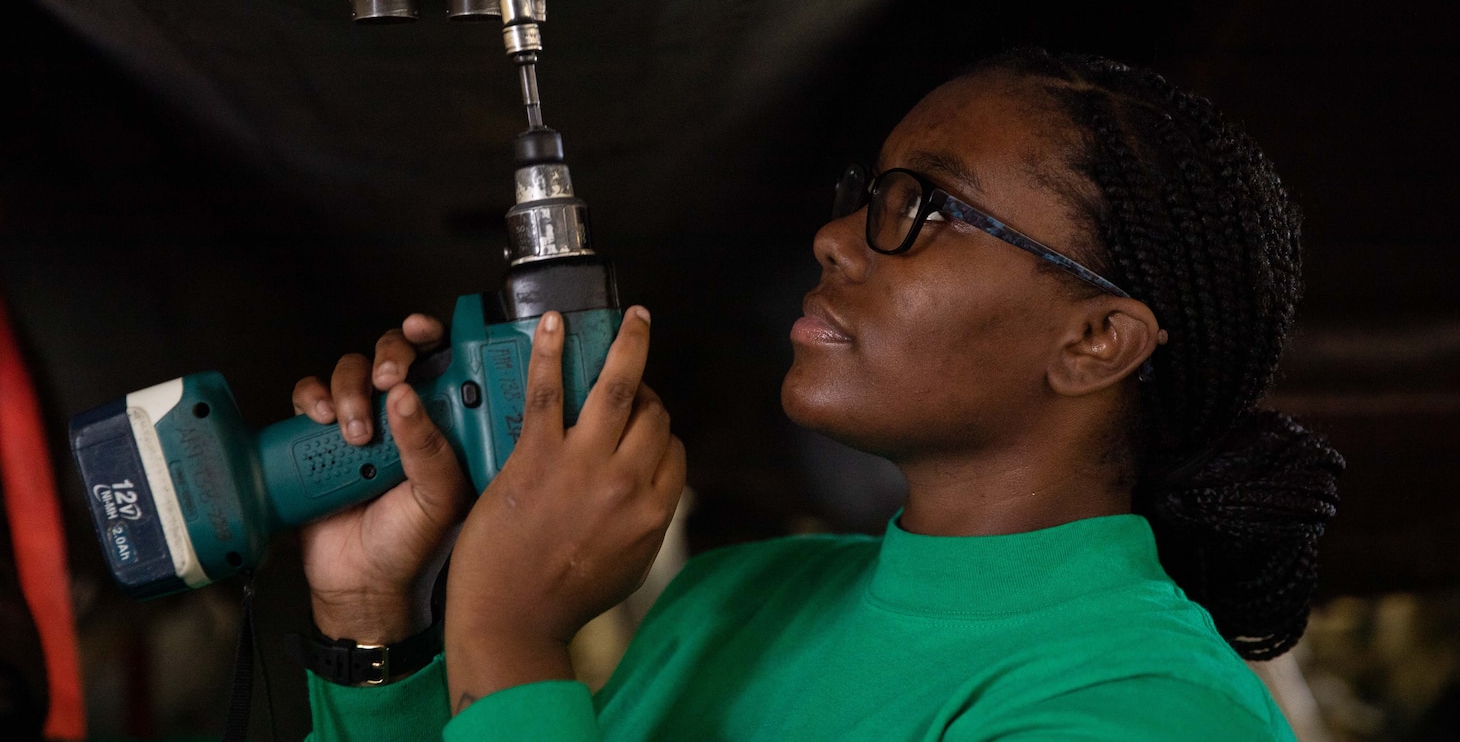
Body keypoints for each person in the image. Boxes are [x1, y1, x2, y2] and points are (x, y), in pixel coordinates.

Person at [288, 49, 1343, 740]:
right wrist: (369, 617)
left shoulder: (1135, 708)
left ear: (1094, 340)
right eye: (864, 192)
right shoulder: (738, 599)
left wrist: (508, 634)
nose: (834, 239)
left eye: (919, 206)